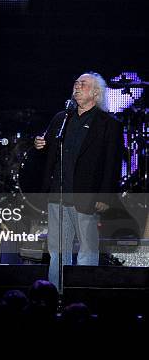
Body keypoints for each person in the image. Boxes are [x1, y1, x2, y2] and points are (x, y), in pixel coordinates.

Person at [34, 72, 123, 288]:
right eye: (75, 83)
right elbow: (51, 152)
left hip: (87, 196)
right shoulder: (61, 118)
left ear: (96, 93)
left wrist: (105, 196)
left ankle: (83, 294)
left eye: (83, 84)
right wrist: (40, 146)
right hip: (59, 194)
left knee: (87, 251)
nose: (77, 86)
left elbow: (112, 164)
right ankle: (55, 296)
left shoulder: (108, 124)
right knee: (58, 252)